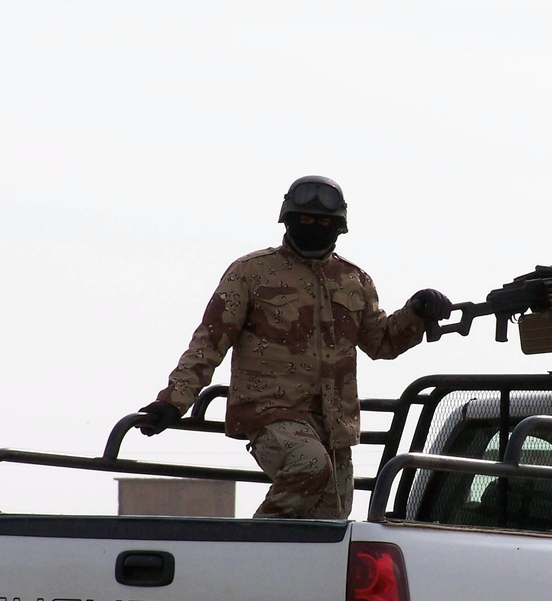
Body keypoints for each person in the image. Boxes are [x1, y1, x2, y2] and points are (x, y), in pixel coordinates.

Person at [140, 175, 451, 519]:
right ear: (287, 220)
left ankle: (279, 568)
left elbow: (383, 342)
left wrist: (418, 312)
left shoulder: (355, 281)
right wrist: (173, 402)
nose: (314, 227)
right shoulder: (252, 272)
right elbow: (209, 341)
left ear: (339, 227)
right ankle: (249, 543)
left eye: (323, 222)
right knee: (309, 464)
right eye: (304, 220)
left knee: (330, 526)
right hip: (271, 413)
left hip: (335, 427)